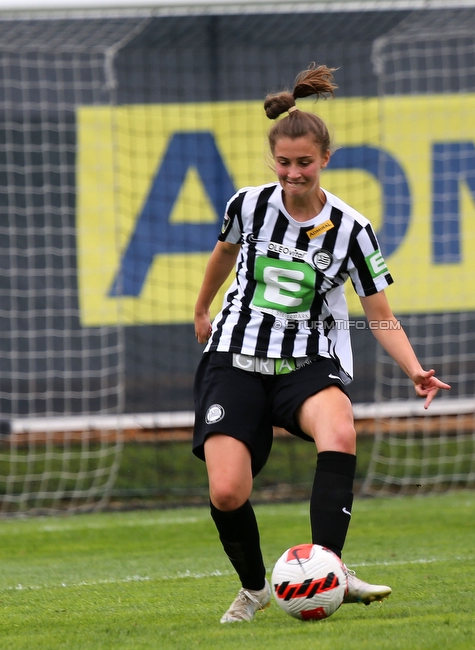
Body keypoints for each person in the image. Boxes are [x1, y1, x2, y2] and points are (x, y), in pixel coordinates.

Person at [192, 64, 451, 622]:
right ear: (273, 160)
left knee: (339, 427)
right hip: (234, 358)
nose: (292, 174)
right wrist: (200, 306)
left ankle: (331, 566)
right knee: (227, 492)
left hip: (308, 360)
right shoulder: (248, 205)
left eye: (303, 163)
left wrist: (414, 369)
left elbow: (379, 314)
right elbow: (224, 253)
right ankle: (256, 587)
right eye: (283, 163)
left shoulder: (353, 229)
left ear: (324, 160)